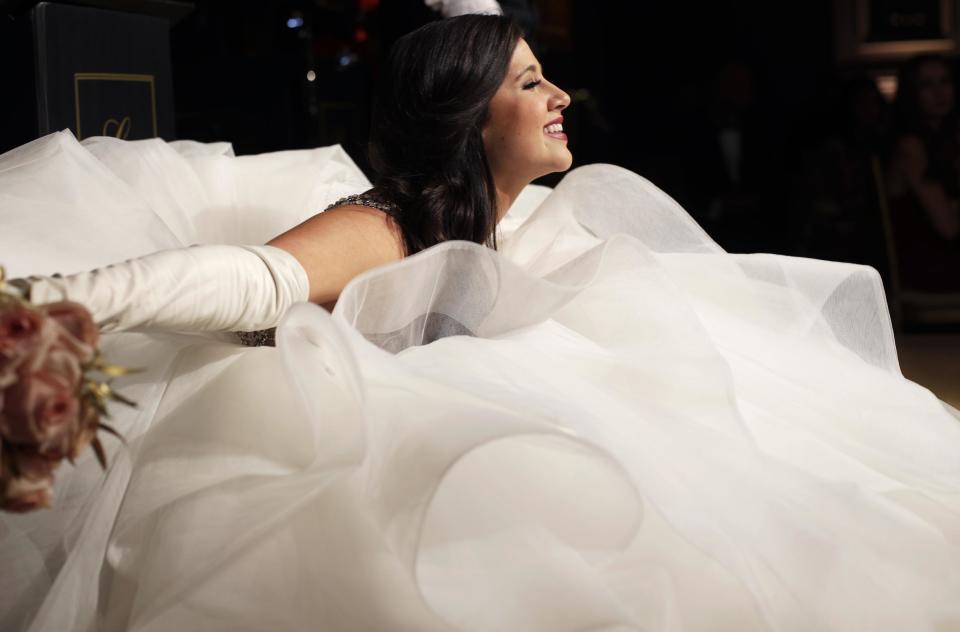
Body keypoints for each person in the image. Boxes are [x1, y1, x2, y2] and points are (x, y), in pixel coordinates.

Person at [1, 15, 960, 632]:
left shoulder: (496, 224)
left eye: (549, 76)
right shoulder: (385, 221)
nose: (559, 97)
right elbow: (244, 282)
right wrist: (52, 303)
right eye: (530, 82)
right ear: (469, 114)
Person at [886, 54, 960, 291]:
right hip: (927, 267)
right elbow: (948, 228)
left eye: (945, 81)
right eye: (926, 85)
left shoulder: (945, 142)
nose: (940, 92)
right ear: (912, 94)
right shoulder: (911, 146)